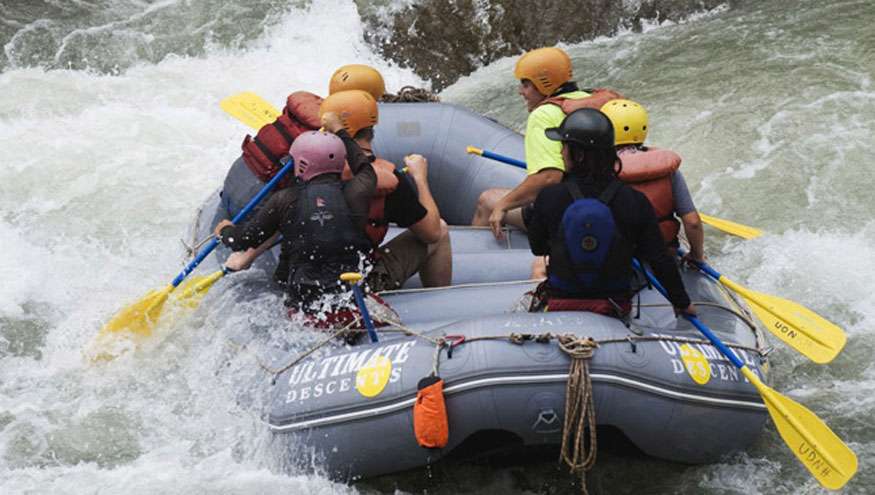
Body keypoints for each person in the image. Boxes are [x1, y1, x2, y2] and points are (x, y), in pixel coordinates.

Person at [221, 89, 451, 294]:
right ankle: (437, 304)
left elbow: (282, 215)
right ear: (371, 127)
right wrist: (420, 178)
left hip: (295, 281)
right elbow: (430, 233)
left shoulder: (306, 170)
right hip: (354, 284)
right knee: (440, 229)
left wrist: (246, 251)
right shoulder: (386, 180)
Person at [525, 108, 695, 317]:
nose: (561, 152)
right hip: (614, 305)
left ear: (577, 154)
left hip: (561, 302)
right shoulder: (634, 200)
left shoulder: (550, 197)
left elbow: (537, 247)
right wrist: (682, 302)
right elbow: (659, 258)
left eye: (564, 146)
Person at [214, 129, 377, 315]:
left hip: (305, 301)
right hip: (352, 294)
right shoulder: (360, 189)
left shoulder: (284, 200)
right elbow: (364, 166)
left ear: (302, 164)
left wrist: (225, 230)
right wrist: (341, 132)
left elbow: (243, 240)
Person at [471, 46, 623, 240]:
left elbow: (549, 178)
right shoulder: (592, 101)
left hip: (572, 210)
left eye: (526, 85)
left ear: (544, 85)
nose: (521, 92)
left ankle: (479, 261)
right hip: (612, 198)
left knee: (487, 200)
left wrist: (503, 204)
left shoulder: (543, 115)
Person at [220, 64, 387, 220]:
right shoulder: (328, 141)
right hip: (254, 202)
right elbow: (363, 179)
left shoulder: (306, 111)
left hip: (235, 177)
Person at [601, 99, 705, 265]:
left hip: (619, 261)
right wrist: (696, 255)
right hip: (664, 251)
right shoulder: (667, 170)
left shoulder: (598, 172)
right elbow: (692, 222)